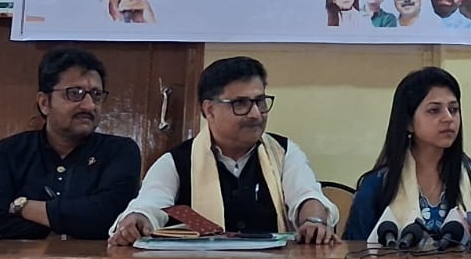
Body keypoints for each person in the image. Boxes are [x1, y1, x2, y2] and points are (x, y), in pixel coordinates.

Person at [110, 56, 338, 244]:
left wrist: (314, 221)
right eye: (241, 104)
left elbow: (306, 195)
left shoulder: (283, 152)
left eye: (260, 101)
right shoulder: (176, 162)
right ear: (209, 110)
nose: (256, 114)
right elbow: (150, 204)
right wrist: (137, 219)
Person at [0, 49, 142, 240]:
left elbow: (110, 218)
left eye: (96, 95)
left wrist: (22, 207)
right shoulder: (9, 151)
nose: (90, 105)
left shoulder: (120, 151)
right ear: (44, 103)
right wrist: (66, 230)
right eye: (75, 93)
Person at [343, 66, 471, 240]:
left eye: (453, 109)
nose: (448, 118)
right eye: (434, 110)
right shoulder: (377, 185)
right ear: (408, 122)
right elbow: (354, 250)